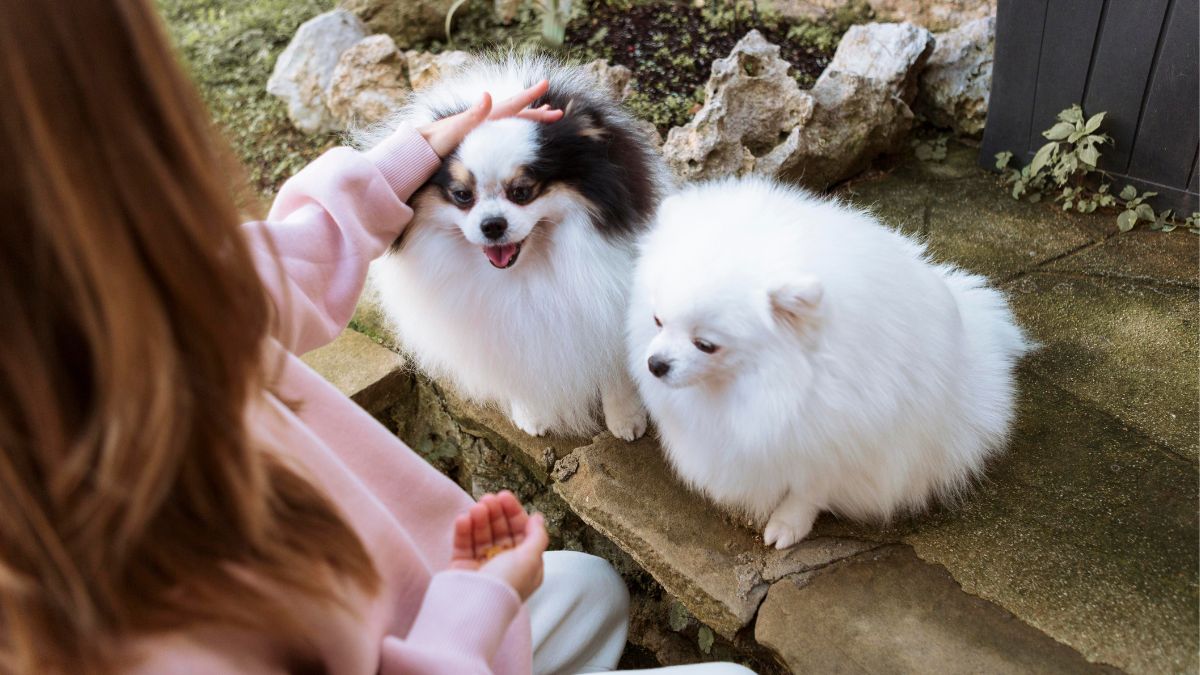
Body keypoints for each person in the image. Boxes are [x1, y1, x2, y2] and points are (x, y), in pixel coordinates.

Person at [0, 1, 758, 674]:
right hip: (426, 635)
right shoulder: (124, 614)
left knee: (591, 590)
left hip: (416, 603)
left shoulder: (128, 308)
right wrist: (473, 604)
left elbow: (282, 259)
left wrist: (416, 151)